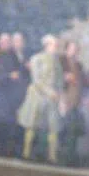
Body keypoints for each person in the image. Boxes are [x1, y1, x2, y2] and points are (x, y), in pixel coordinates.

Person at [18, 34, 64, 163]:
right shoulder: (36, 59)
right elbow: (36, 80)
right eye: (54, 45)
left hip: (52, 99)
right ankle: (26, 153)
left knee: (53, 127)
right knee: (31, 125)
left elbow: (59, 80)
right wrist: (50, 92)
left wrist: (58, 93)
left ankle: (52, 156)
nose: (56, 48)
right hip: (37, 96)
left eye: (57, 46)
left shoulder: (57, 62)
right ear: (47, 45)